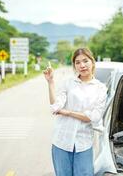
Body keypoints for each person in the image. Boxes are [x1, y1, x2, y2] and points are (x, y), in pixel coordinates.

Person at [43, 48, 107, 176]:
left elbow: (94, 116)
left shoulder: (100, 88)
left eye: (85, 61)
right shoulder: (68, 83)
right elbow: (55, 107)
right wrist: (50, 82)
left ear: (92, 62)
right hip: (61, 141)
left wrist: (68, 112)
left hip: (84, 143)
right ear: (74, 66)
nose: (82, 65)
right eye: (77, 62)